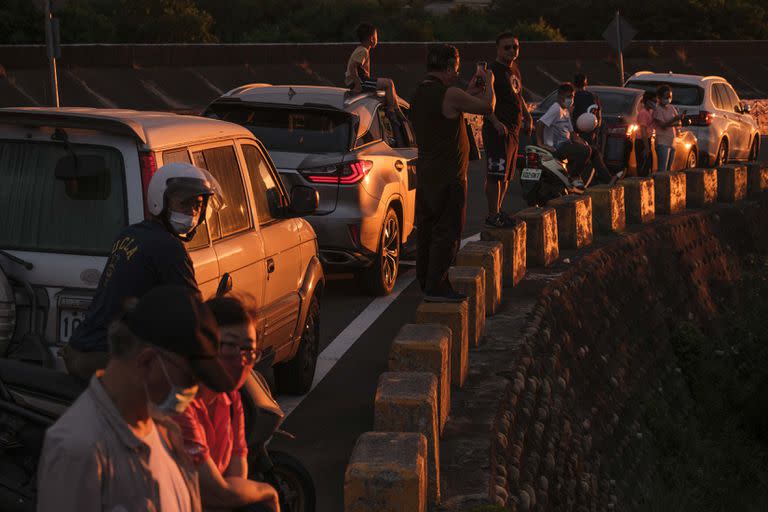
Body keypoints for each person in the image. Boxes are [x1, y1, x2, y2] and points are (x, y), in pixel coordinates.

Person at [37, 285, 236, 512]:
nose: (196, 391)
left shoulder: (165, 431)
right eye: (189, 378)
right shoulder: (78, 450)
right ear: (148, 360)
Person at [64, 162, 223, 381]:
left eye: (197, 205)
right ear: (160, 202)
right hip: (106, 357)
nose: (192, 212)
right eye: (184, 203)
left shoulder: (131, 234)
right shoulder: (168, 247)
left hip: (79, 350)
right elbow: (192, 314)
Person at [174, 294, 280, 512]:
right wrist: (268, 491)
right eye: (230, 346)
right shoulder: (180, 405)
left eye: (249, 350)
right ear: (204, 345)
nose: (241, 360)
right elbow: (219, 493)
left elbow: (235, 482)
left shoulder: (231, 399)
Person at [411, 44, 495, 302]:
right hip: (449, 174)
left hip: (427, 172)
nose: (456, 75)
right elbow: (487, 107)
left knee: (427, 227)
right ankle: (438, 285)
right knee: (447, 230)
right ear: (448, 67)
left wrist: (468, 90)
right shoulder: (449, 93)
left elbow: (457, 102)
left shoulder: (421, 91)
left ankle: (426, 280)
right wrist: (489, 83)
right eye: (455, 70)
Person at [482, 32, 533, 228]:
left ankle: (499, 210)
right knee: (495, 174)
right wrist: (494, 121)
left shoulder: (514, 70)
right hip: (497, 129)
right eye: (507, 47)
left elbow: (519, 97)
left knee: (507, 175)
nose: (512, 50)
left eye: (515, 47)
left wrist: (528, 118)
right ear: (498, 49)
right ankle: (491, 214)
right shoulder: (491, 71)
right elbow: (483, 101)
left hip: (513, 129)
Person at [536, 82, 592, 188]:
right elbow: (540, 123)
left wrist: (583, 143)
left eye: (572, 96)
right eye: (568, 97)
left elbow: (572, 134)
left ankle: (607, 181)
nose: (571, 99)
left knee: (593, 151)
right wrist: (540, 143)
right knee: (585, 151)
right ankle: (574, 176)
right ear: (560, 97)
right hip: (559, 147)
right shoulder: (556, 108)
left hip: (567, 144)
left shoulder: (565, 111)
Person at [345, 22, 401, 114]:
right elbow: (352, 67)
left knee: (386, 87)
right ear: (372, 38)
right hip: (361, 82)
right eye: (376, 36)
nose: (377, 38)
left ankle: (396, 106)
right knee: (389, 83)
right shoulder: (363, 51)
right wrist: (358, 84)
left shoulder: (359, 49)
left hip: (361, 81)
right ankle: (392, 110)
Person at [653, 85, 684, 171]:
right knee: (662, 170)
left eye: (670, 97)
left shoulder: (671, 108)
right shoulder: (658, 109)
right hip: (662, 143)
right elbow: (662, 125)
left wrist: (679, 119)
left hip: (672, 142)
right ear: (659, 97)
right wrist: (674, 120)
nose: (668, 99)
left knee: (669, 170)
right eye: (666, 97)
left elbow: (677, 122)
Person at [572, 73, 602, 143]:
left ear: (573, 84)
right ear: (586, 83)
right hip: (590, 131)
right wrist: (596, 131)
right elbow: (599, 116)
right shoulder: (593, 96)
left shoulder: (572, 97)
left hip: (575, 132)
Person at [636, 90, 657, 176]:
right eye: (654, 101)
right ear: (648, 102)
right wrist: (646, 147)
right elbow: (643, 131)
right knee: (643, 168)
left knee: (648, 166)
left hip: (646, 141)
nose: (655, 103)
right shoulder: (643, 113)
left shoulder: (649, 112)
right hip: (642, 142)